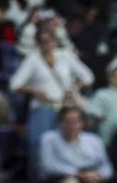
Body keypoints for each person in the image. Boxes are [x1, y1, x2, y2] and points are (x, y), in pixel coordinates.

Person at [10, 27, 94, 172]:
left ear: (55, 41)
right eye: (42, 41)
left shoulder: (65, 55)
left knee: (64, 148)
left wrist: (74, 88)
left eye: (49, 40)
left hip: (65, 108)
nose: (47, 44)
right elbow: (14, 84)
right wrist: (33, 91)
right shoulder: (33, 59)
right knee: (37, 146)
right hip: (43, 107)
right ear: (38, 43)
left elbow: (88, 77)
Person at [38, 105, 111, 183]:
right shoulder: (48, 138)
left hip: (92, 176)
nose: (72, 126)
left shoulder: (94, 140)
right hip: (62, 177)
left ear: (82, 123)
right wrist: (77, 174)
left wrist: (99, 175)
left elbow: (106, 166)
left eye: (76, 122)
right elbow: (48, 166)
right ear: (60, 122)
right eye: (68, 122)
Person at [85, 57, 117, 143]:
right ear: (110, 78)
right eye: (116, 76)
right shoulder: (101, 93)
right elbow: (90, 108)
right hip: (107, 134)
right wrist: (99, 114)